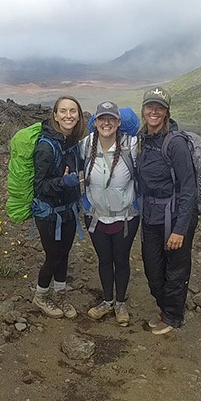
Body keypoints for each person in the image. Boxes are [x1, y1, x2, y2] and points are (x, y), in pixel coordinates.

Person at [135, 87, 197, 335]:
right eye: (150, 106)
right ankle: (165, 307)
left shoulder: (176, 143)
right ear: (143, 109)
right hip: (150, 215)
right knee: (153, 268)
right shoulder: (143, 139)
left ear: (167, 112)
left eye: (159, 107)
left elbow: (189, 188)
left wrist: (180, 229)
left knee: (176, 268)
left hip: (175, 216)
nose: (154, 111)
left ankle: (172, 317)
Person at [79, 101, 139, 326]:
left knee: (121, 259)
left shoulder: (131, 145)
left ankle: (120, 302)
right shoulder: (86, 145)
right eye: (102, 118)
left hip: (126, 217)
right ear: (95, 122)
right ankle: (107, 300)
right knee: (104, 259)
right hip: (95, 215)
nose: (106, 123)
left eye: (111, 119)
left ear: (119, 122)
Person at [31, 95, 88, 319]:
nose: (68, 115)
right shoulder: (46, 147)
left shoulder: (71, 143)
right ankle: (41, 295)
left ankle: (61, 295)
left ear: (79, 115)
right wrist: (62, 182)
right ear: (55, 115)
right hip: (48, 213)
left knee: (64, 254)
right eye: (63, 111)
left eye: (73, 111)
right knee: (54, 256)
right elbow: (39, 185)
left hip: (69, 211)